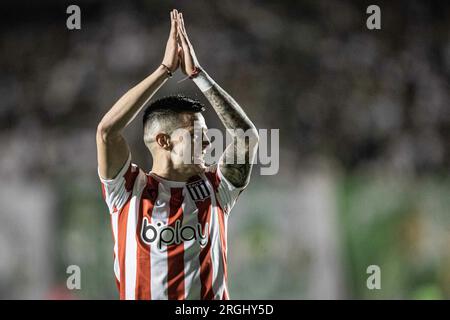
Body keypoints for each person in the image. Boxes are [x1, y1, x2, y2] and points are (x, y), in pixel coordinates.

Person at [96, 9, 259, 300]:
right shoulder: (128, 191)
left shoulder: (216, 189)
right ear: (164, 141)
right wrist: (164, 71)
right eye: (198, 136)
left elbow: (247, 138)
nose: (209, 144)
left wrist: (198, 76)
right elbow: (107, 131)